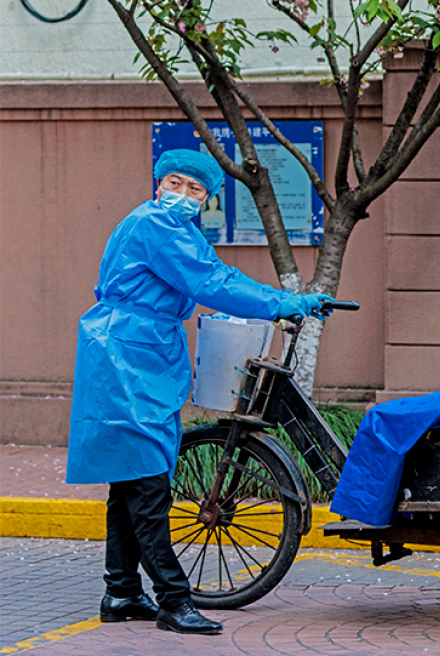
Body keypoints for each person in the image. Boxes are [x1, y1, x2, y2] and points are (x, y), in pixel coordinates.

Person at [65, 149, 333, 635]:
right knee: (147, 486)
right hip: (128, 359)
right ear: (157, 183)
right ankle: (173, 600)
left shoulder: (175, 230)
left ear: (207, 199)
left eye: (196, 190)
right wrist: (283, 302)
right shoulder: (155, 224)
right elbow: (210, 280)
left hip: (139, 353)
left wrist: (279, 301)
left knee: (129, 482)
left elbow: (213, 276)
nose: (184, 195)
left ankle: (121, 592)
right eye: (176, 183)